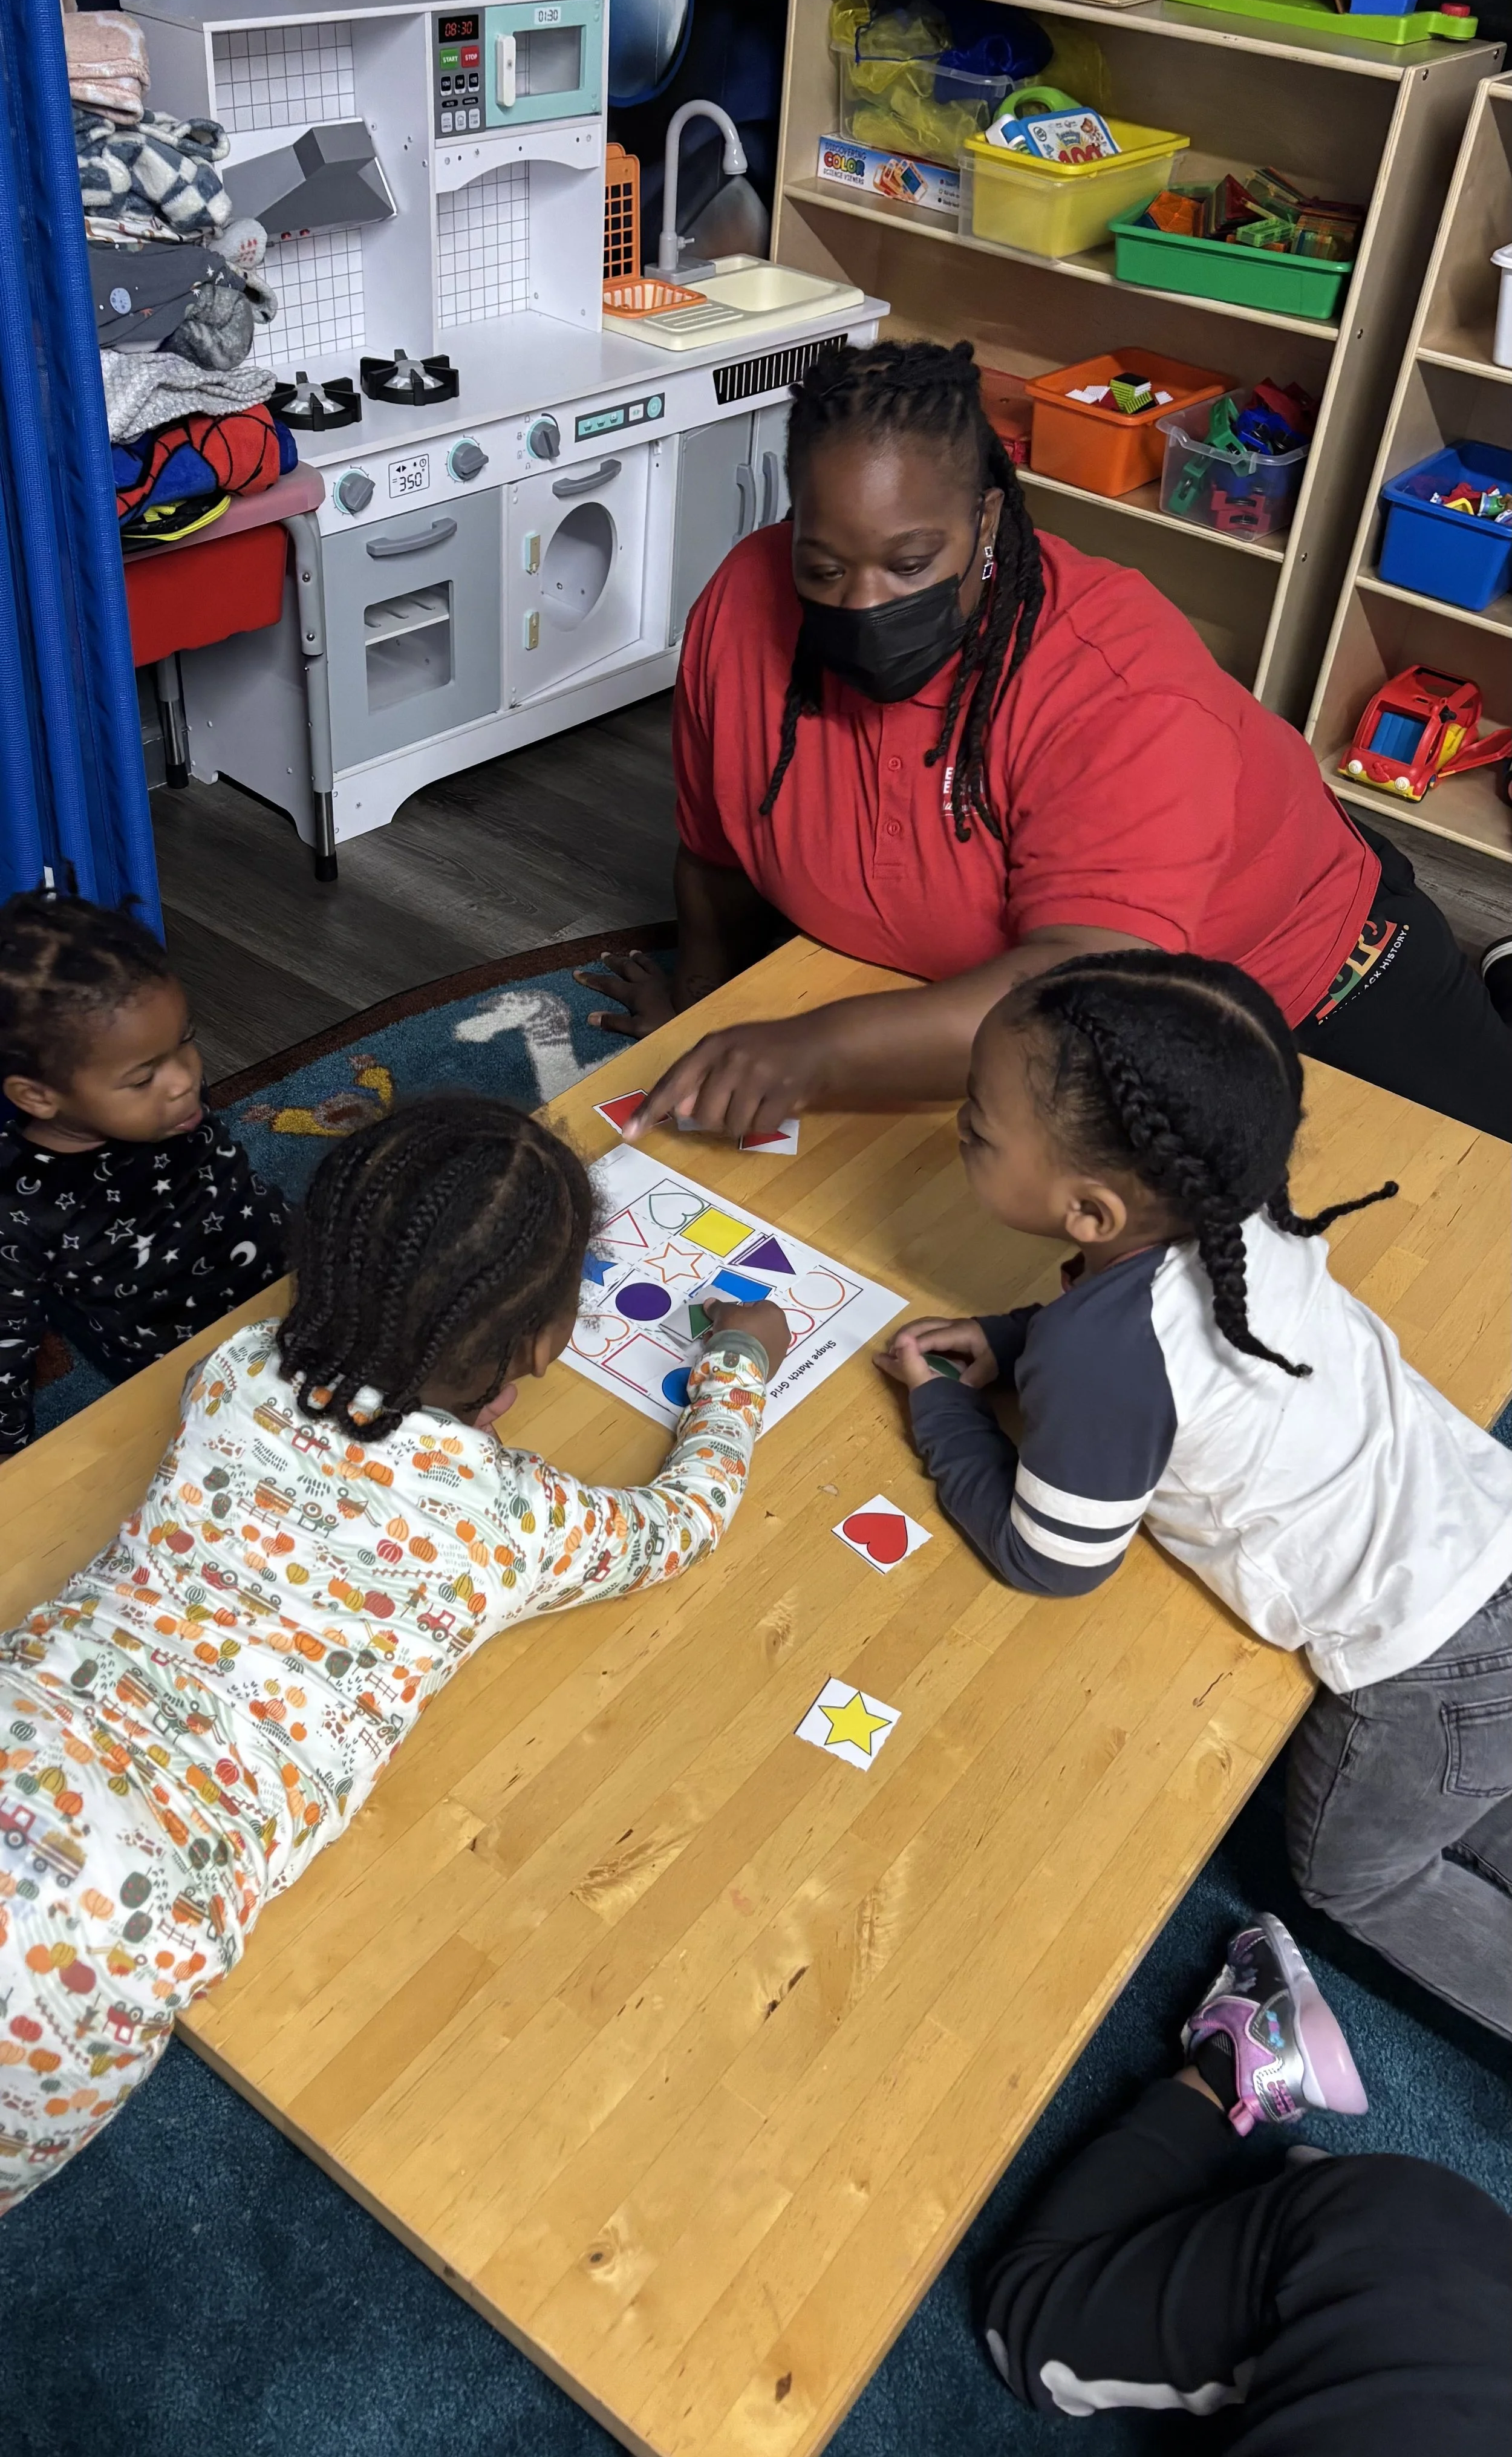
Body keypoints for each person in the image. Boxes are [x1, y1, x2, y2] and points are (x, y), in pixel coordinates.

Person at [0, 1095, 787, 2208]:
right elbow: (684, 1523)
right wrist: (738, 1372)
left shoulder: (233, 1368)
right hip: (124, 1911)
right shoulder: (505, 1517)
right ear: (545, 1343)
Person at [579, 341, 1512, 1144]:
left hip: (1313, 981)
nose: (861, 602)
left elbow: (1084, 990)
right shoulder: (742, 608)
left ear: (986, 521)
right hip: (1009, 1025)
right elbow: (714, 860)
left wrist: (818, 1047)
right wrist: (700, 1017)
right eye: (822, 565)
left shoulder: (1117, 682)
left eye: (911, 564)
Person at [876, 953, 1512, 2037]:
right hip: (1490, 1529)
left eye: (977, 1130)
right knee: (1483, 1761)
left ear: (1090, 1208)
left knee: (1356, 1870)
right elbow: (1171, 1355)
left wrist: (939, 1409)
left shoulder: (1102, 1352)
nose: (957, 1130)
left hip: (1422, 1656)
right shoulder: (1240, 1209)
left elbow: (1054, 1556)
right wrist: (1011, 1336)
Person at [982, 1913, 1512, 2457]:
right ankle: (1237, 2062)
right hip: (1365, 2275)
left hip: (1464, 2246)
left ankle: (1310, 2216)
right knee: (1028, 2329)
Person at [0, 889, 287, 1458]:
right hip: (192, 1369)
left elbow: (233, 1183)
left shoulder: (171, 1104)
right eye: (142, 1077)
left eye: (185, 1042)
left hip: (295, 1279)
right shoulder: (18, 1210)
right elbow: (6, 1349)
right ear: (37, 1096)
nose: (184, 1080)